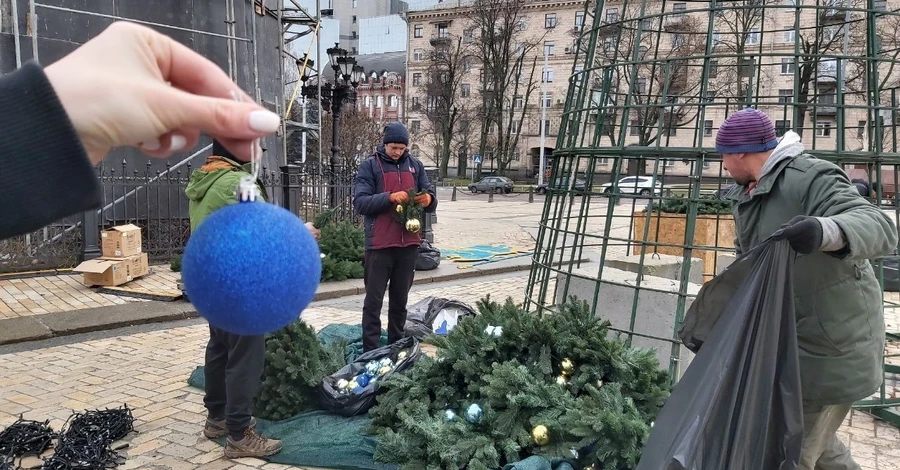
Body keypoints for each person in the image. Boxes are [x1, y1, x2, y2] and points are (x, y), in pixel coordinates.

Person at [717, 108, 898, 470]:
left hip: (830, 344)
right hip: (790, 342)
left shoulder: (809, 177)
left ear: (740, 152)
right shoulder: (748, 192)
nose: (722, 165)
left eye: (723, 155)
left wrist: (823, 231)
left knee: (790, 453)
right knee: (816, 442)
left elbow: (880, 227)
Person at [1, 21, 281, 241]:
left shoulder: (207, 179)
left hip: (212, 270)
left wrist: (42, 117)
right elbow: (261, 235)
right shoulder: (234, 184)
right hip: (239, 276)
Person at [353, 122, 437, 352]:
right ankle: (370, 349)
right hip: (379, 245)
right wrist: (389, 197)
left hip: (408, 244)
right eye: (393, 147)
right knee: (373, 302)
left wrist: (428, 200)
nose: (397, 151)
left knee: (400, 302)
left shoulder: (416, 166)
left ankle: (397, 344)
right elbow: (360, 202)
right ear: (385, 144)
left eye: (401, 148)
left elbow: (429, 193)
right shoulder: (370, 166)